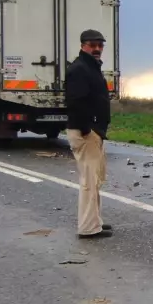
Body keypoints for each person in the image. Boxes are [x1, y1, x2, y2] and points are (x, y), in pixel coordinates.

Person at [65, 29, 113, 239]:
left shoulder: (91, 67)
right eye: (92, 45)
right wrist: (88, 129)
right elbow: (75, 102)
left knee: (95, 180)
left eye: (100, 45)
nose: (97, 49)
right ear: (83, 45)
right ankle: (87, 228)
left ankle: (95, 222)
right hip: (86, 133)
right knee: (89, 182)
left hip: (93, 132)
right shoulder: (80, 69)